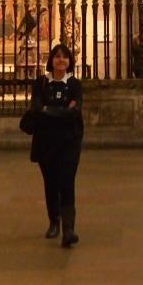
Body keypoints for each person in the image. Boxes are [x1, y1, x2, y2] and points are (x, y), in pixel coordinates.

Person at [27, 43, 83, 247]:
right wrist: (62, 111)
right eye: (57, 56)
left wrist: (48, 110)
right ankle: (54, 221)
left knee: (67, 181)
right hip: (46, 141)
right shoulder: (41, 83)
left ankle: (69, 229)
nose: (61, 60)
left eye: (65, 57)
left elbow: (75, 111)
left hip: (69, 141)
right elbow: (36, 109)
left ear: (69, 61)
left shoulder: (74, 84)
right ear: (51, 60)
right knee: (50, 182)